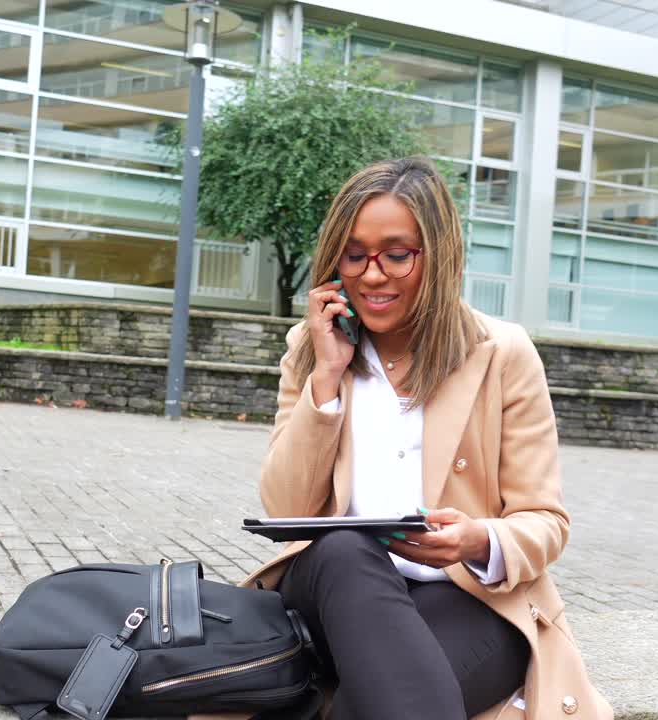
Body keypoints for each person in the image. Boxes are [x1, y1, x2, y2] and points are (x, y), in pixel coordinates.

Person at [235, 158, 610, 720]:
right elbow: (286, 507)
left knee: (396, 697)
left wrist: (478, 540)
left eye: (397, 253)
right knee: (345, 547)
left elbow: (545, 521)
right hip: (333, 594)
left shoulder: (501, 353)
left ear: (439, 255)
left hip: (465, 597)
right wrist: (327, 377)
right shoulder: (311, 346)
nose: (372, 274)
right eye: (355, 254)